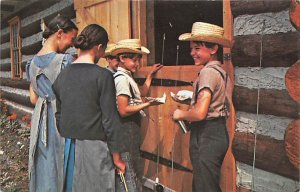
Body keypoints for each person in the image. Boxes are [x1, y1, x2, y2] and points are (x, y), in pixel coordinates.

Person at [52, 24, 125, 192]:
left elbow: (59, 114)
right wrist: (117, 157)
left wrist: (68, 134)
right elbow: (110, 120)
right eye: (104, 50)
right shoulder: (103, 76)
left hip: (67, 148)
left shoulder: (63, 74)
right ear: (99, 47)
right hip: (94, 150)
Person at [172, 22, 233, 192]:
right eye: (192, 48)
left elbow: (199, 114)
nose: (192, 53)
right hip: (216, 132)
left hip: (207, 134)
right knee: (206, 184)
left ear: (213, 48)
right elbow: (214, 102)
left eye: (197, 48)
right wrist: (191, 100)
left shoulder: (207, 72)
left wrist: (180, 114)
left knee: (205, 187)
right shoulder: (220, 71)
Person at [26, 15, 78, 192]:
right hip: (60, 118)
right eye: (71, 40)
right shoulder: (64, 61)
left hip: (41, 121)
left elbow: (33, 99)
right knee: (63, 162)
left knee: (44, 163)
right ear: (60, 33)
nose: (72, 45)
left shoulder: (31, 63)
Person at [111, 39, 163, 192]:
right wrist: (148, 104)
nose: (137, 64)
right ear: (122, 59)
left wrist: (150, 76)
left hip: (131, 128)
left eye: (139, 60)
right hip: (125, 128)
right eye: (134, 60)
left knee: (133, 166)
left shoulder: (127, 77)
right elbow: (123, 109)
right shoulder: (121, 79)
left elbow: (139, 95)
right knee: (130, 171)